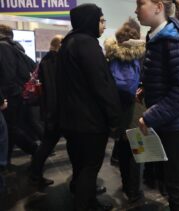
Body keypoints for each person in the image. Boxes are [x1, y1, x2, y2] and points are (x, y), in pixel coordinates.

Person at [135, 0, 179, 210]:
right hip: (168, 121)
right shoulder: (157, 36)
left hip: (178, 124)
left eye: (141, 4)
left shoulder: (175, 39)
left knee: (175, 185)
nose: (136, 10)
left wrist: (150, 116)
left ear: (158, 7)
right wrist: (147, 88)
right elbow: (168, 78)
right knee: (174, 178)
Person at [56, 4, 122, 211]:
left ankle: (83, 196)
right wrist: (115, 117)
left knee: (79, 164)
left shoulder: (69, 42)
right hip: (90, 121)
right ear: (89, 21)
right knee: (90, 167)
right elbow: (101, 85)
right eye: (101, 20)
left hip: (71, 119)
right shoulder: (88, 44)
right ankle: (86, 204)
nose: (104, 25)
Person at [104, 17, 145, 203]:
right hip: (136, 110)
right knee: (137, 154)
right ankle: (135, 191)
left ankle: (126, 185)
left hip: (118, 110)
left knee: (121, 150)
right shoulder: (143, 55)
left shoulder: (111, 56)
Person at [0, 24, 38, 166]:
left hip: (10, 96)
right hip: (16, 93)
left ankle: (35, 150)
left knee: (11, 129)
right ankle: (7, 161)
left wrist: (4, 96)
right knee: (12, 128)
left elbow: (7, 75)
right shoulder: (15, 47)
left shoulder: (3, 47)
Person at [28, 35, 63, 187]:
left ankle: (35, 173)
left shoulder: (46, 60)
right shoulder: (57, 62)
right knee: (48, 144)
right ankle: (35, 173)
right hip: (57, 112)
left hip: (49, 110)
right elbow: (55, 89)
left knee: (47, 144)